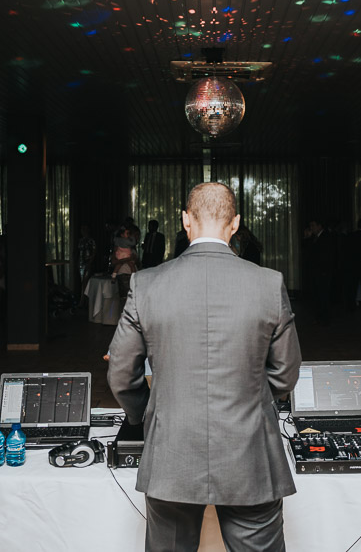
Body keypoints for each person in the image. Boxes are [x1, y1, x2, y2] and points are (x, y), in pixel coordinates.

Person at [108, 182, 301, 552]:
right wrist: (253, 402)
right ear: (235, 224)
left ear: (185, 221)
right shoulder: (268, 283)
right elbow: (286, 372)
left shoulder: (146, 284)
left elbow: (121, 374)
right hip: (249, 453)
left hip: (171, 451)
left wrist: (149, 413)